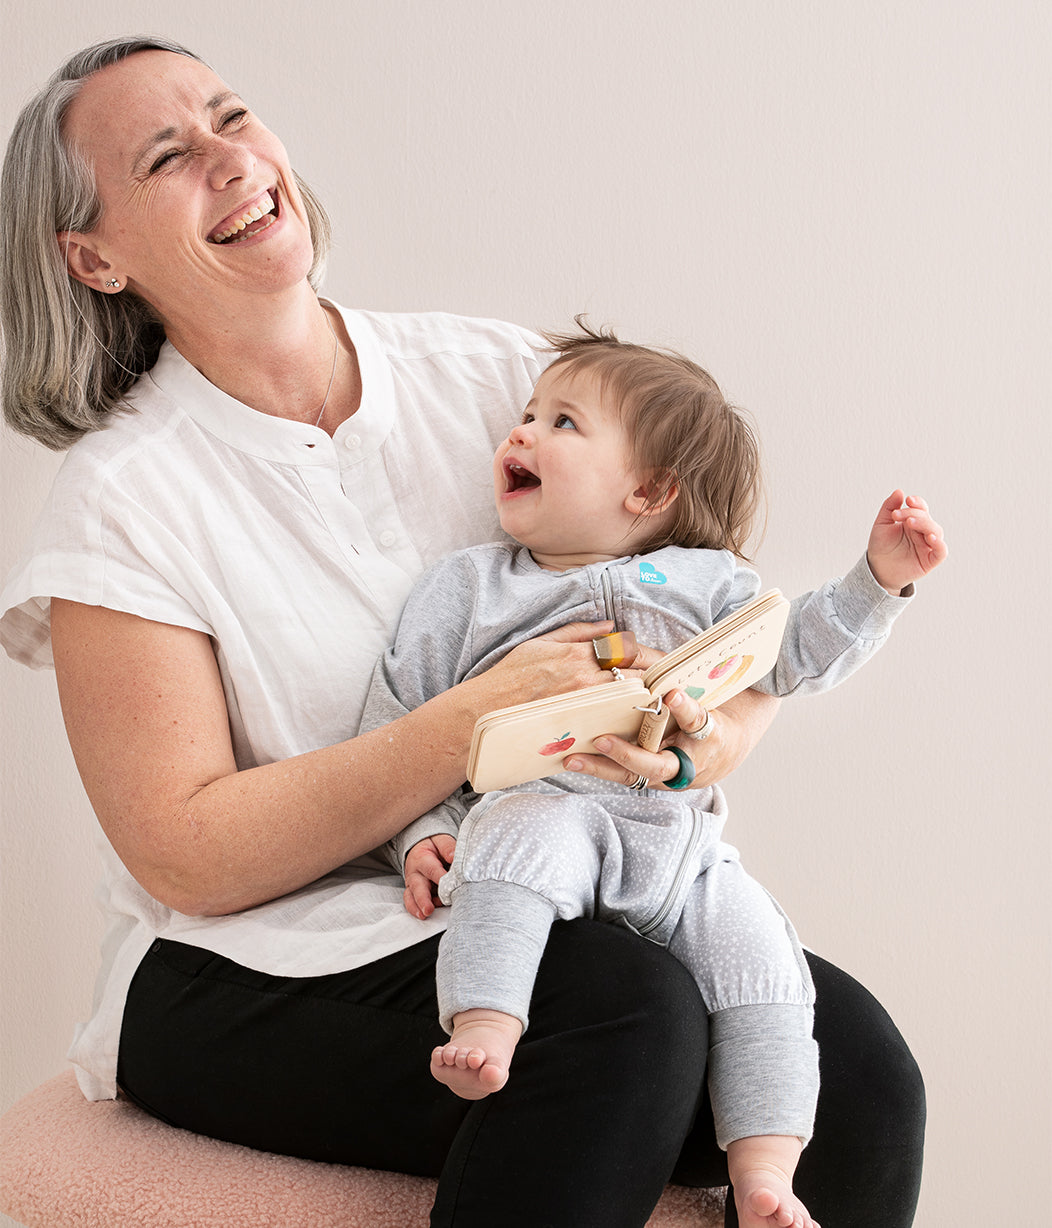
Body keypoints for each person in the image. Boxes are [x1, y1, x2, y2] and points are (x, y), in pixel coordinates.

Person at [0, 37, 927, 1228]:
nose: (233, 161)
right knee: (617, 1012)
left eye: (234, 117)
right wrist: (468, 728)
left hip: (551, 883)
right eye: (171, 156)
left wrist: (696, 748)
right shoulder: (122, 497)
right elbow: (184, 849)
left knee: (856, 1071)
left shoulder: (496, 377)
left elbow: (721, 625)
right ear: (94, 256)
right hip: (237, 965)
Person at [362, 325, 946, 1228]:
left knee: (767, 969)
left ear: (649, 489)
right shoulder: (471, 588)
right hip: (545, 807)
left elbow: (790, 654)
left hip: (682, 847)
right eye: (522, 416)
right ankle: (484, 1026)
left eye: (561, 422)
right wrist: (421, 830)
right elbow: (400, 715)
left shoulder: (710, 585)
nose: (519, 436)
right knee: (504, 860)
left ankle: (765, 1172)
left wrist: (875, 584)